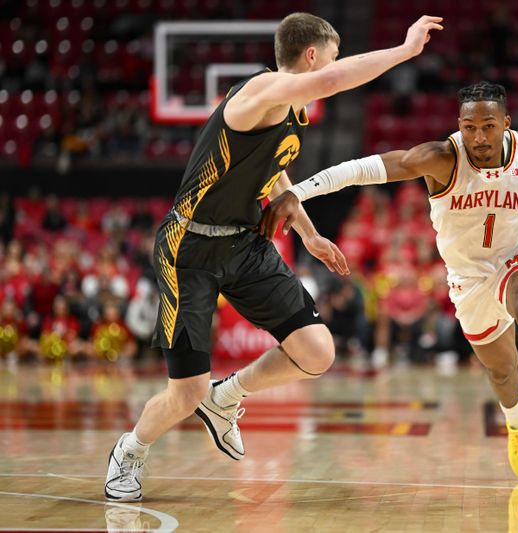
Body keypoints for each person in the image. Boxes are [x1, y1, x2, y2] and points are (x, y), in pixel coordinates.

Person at [104, 12, 443, 502]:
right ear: (312, 56)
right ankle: (130, 451)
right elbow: (335, 79)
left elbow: (274, 172)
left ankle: (229, 397)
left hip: (243, 242)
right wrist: (405, 50)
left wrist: (307, 232)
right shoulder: (258, 94)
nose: (335, 64)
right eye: (333, 54)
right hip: (190, 248)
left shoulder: (289, 113)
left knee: (316, 350)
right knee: (186, 393)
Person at [264, 81, 518, 480]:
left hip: (517, 257)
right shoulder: (442, 158)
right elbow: (363, 169)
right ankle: (517, 421)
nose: (478, 137)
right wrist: (297, 192)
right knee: (502, 372)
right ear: (458, 124)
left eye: (488, 126)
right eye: (469, 126)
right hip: (467, 277)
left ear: (506, 123)